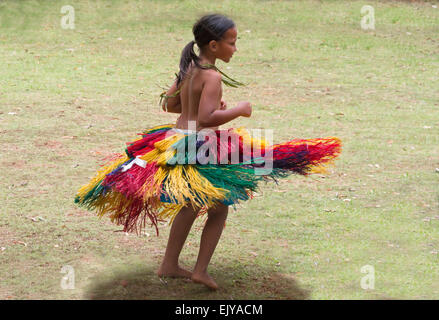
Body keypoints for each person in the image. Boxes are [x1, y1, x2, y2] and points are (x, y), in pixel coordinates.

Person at [74, 13, 342, 291]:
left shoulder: (189, 67)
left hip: (179, 139)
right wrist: (239, 109)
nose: (235, 49)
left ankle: (169, 264)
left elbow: (170, 105)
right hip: (200, 145)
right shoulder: (212, 76)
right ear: (213, 45)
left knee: (192, 205)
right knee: (218, 209)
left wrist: (205, 104)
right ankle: (200, 270)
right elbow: (206, 118)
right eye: (232, 42)